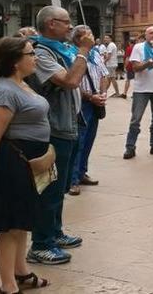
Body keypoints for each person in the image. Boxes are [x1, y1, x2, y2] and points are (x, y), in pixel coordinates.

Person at [0, 37, 52, 293]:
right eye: (30, 53)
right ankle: (8, 286)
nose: (35, 57)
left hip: (30, 161)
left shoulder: (22, 84)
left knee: (22, 221)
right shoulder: (5, 91)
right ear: (16, 61)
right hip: (12, 163)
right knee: (9, 226)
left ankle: (21, 272)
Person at [27, 6, 92, 264]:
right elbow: (70, 81)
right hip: (53, 128)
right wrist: (84, 51)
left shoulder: (60, 49)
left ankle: (54, 232)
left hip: (70, 124)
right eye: (66, 22)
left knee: (60, 186)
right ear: (51, 24)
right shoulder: (41, 52)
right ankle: (41, 244)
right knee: (50, 188)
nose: (71, 26)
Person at [69, 26, 108, 196]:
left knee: (89, 139)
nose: (93, 37)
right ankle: (73, 180)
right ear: (78, 39)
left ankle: (82, 172)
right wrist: (90, 96)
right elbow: (73, 82)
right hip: (82, 103)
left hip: (96, 101)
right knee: (79, 141)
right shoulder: (72, 55)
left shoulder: (96, 54)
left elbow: (104, 75)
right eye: (88, 34)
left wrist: (102, 92)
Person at [123, 26, 153, 159]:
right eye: (151, 33)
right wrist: (146, 65)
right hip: (141, 89)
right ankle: (130, 147)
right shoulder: (138, 48)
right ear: (146, 35)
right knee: (135, 120)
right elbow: (134, 67)